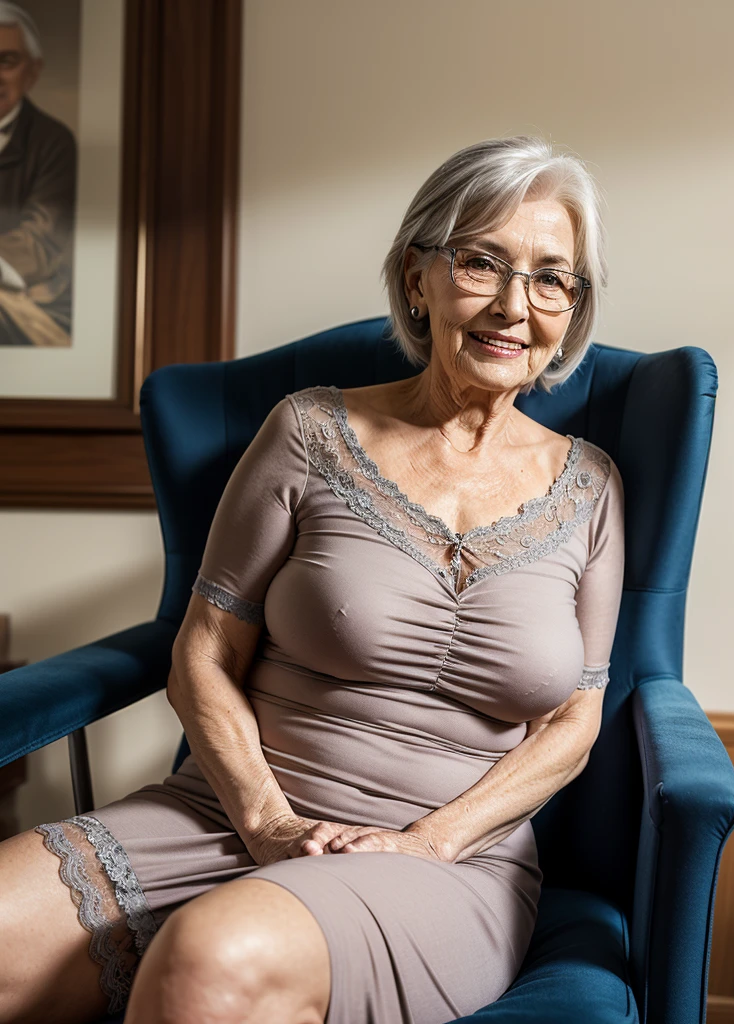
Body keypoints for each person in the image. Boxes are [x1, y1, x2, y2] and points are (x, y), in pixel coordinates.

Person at [0, 135, 625, 1024]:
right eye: (482, 262)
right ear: (419, 277)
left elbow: (574, 720)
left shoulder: (592, 486)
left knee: (211, 959)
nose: (515, 305)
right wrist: (267, 823)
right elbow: (203, 652)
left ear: (573, 305)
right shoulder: (308, 432)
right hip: (230, 812)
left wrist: (427, 843)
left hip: (445, 866)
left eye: (552, 277)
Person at [0, 2, 77, 347]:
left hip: (29, 298)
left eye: (6, 61)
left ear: (33, 71)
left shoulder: (54, 142)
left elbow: (40, 240)